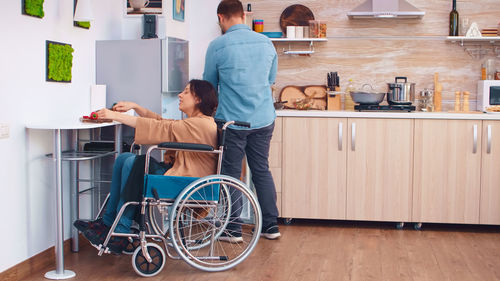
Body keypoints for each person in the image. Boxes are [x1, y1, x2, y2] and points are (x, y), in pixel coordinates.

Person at [74, 79, 218, 254]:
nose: (180, 95)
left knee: (135, 162)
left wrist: (115, 116)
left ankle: (121, 229)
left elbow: (162, 127)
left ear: (198, 99)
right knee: (124, 159)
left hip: (187, 182)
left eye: (186, 92)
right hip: (180, 176)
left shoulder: (201, 124)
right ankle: (108, 222)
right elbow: (162, 122)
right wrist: (135, 107)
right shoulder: (196, 122)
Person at [203, 0, 280, 242]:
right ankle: (270, 226)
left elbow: (208, 85)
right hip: (263, 118)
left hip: (231, 122)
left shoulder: (217, 46)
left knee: (230, 174)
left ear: (221, 17)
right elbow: (270, 79)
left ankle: (232, 229)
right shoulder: (267, 43)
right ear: (244, 16)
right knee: (261, 170)